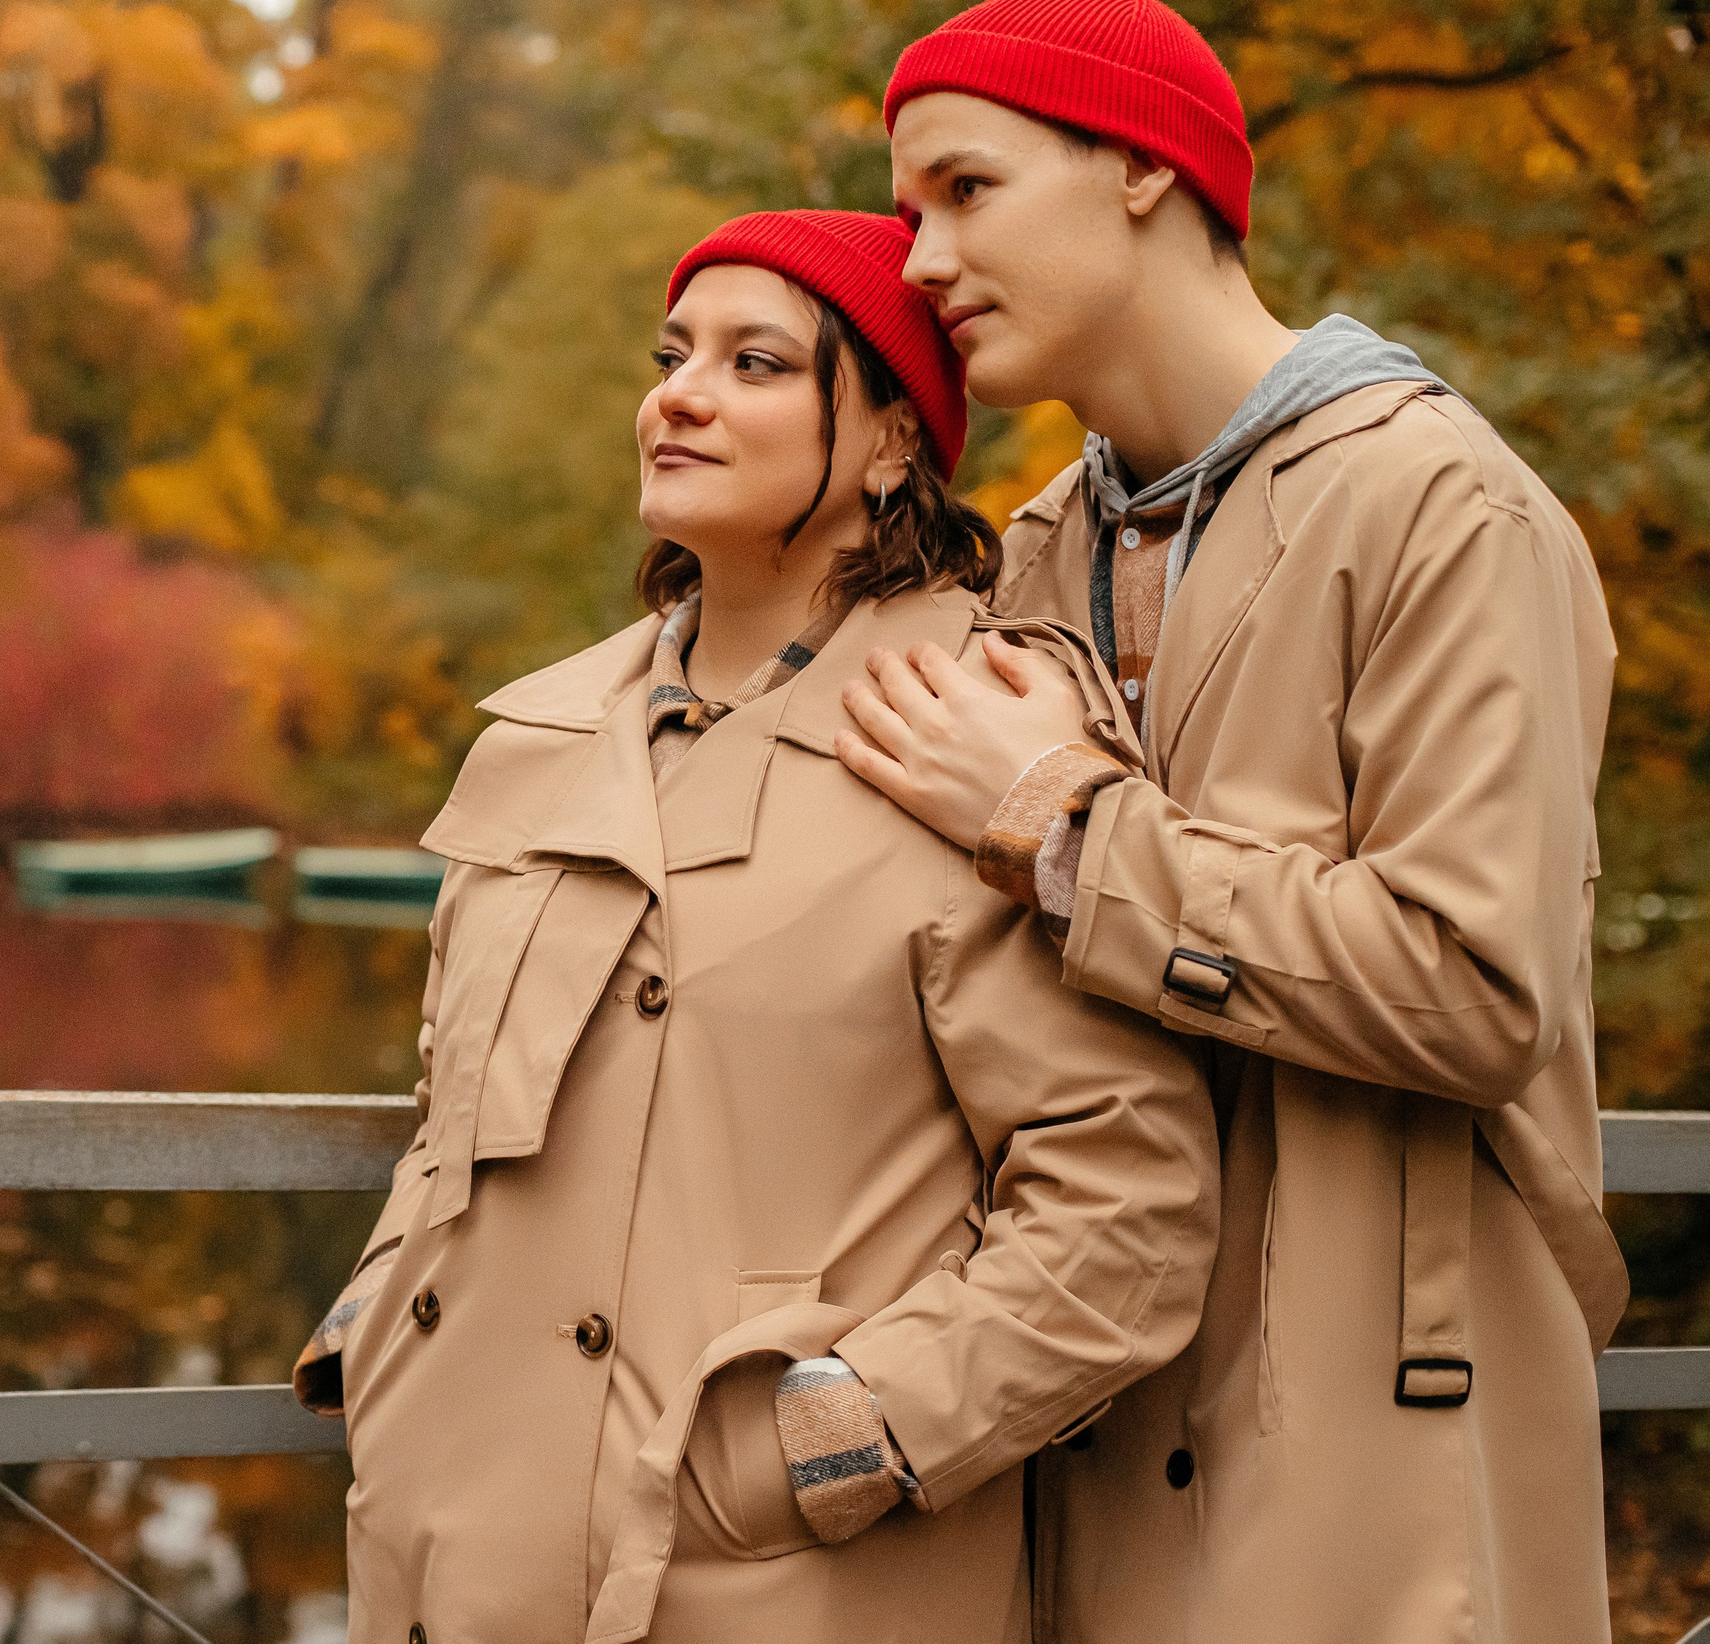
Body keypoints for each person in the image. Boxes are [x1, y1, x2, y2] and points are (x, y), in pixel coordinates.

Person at [291, 208, 1220, 1644]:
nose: (679, 391)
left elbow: (1128, 1214)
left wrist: (829, 1444)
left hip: (768, 1575)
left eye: (757, 361)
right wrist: (378, 1330)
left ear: (895, 440)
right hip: (449, 1545)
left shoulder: (976, 734)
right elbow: (451, 1109)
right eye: (672, 354)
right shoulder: (542, 734)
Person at [835, 0, 1627, 1644]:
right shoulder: (1035, 547)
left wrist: (1067, 827)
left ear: (1144, 168)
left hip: (1372, 1467)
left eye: (967, 192)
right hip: (1066, 1442)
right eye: (910, 213)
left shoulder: (1444, 508)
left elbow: (1480, 990)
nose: (916, 261)